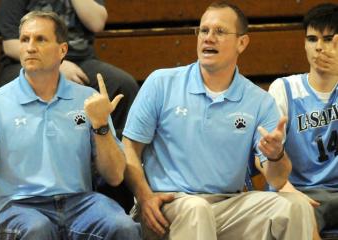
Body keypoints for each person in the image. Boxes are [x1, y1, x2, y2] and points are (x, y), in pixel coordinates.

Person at [122, 1, 316, 240]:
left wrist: (276, 154)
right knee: (196, 209)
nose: (208, 38)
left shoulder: (260, 102)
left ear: (242, 43)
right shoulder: (161, 83)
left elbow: (276, 178)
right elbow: (130, 147)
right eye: (204, 30)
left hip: (229, 204)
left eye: (220, 31)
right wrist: (144, 197)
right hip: (169, 205)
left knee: (296, 206)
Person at [0, 11, 141, 239]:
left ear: (62, 50)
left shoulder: (88, 100)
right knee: (37, 229)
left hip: (79, 203)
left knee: (123, 226)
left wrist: (101, 125)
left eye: (41, 39)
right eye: (24, 39)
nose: (30, 47)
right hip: (17, 205)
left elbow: (115, 176)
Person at [0, 0, 139, 136]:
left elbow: (96, 23)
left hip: (81, 60)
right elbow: (10, 45)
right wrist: (58, 64)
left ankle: (119, 151)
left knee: (122, 84)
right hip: (29, 61)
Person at [268, 3, 338, 235]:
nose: (319, 47)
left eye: (328, 39)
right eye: (312, 39)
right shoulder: (284, 88)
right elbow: (264, 157)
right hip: (299, 191)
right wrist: (289, 190)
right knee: (301, 218)